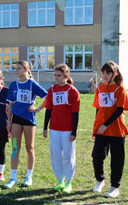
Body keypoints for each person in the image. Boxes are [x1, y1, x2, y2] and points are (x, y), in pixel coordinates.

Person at [4, 60, 47, 189]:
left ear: (26, 69)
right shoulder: (13, 85)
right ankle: (13, 177)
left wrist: (38, 108)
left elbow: (48, 96)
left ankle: (29, 176)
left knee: (30, 148)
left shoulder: (32, 84)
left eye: (19, 68)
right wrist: (9, 121)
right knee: (15, 148)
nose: (17, 70)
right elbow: (10, 104)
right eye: (16, 68)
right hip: (16, 120)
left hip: (29, 119)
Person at [91, 61, 128, 198]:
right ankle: (100, 180)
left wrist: (105, 125)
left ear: (115, 74)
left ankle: (115, 187)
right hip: (101, 129)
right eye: (103, 72)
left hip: (117, 130)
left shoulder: (120, 89)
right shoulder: (100, 88)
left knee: (117, 159)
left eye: (108, 73)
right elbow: (98, 109)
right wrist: (96, 128)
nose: (105, 75)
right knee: (96, 156)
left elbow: (119, 110)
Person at [43, 64, 80, 193]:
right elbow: (48, 109)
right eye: (55, 75)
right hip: (54, 129)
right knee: (55, 155)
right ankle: (60, 180)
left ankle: (69, 182)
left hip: (68, 130)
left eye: (59, 75)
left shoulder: (73, 91)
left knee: (68, 156)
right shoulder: (52, 90)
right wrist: (45, 127)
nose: (56, 78)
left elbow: (76, 113)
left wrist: (74, 132)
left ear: (66, 76)